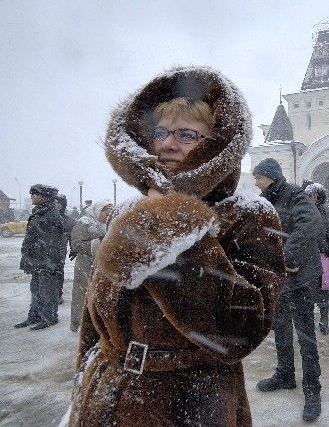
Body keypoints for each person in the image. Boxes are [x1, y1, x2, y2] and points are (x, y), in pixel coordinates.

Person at [67, 67, 285, 427]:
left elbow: (240, 328)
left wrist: (172, 229)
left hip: (190, 403)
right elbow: (95, 324)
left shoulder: (248, 215)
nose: (167, 144)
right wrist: (83, 389)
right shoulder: (128, 212)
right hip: (103, 396)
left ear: (217, 144)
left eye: (187, 134)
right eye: (161, 132)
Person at [253, 158, 323, 422]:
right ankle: (284, 375)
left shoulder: (295, 195)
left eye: (259, 177)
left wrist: (287, 256)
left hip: (300, 276)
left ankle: (312, 390)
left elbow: (310, 224)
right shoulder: (265, 200)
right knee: (280, 328)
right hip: (278, 280)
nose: (256, 182)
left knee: (306, 335)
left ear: (271, 175)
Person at [14, 184, 65, 330]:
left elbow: (55, 243)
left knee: (47, 291)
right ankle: (34, 315)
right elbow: (32, 238)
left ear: (42, 197)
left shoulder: (51, 215)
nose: (31, 197)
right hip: (36, 259)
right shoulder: (39, 212)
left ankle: (49, 317)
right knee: (35, 289)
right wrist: (27, 256)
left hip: (47, 261)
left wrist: (52, 263)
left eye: (34, 194)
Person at [68, 200, 112, 332]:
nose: (108, 214)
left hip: (101, 265)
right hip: (85, 264)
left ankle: (97, 325)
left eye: (110, 211)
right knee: (82, 294)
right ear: (98, 211)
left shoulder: (108, 224)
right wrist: (96, 245)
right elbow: (76, 244)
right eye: (106, 211)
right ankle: (78, 323)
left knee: (99, 295)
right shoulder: (84, 223)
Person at [306, 183, 329, 335]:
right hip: (308, 257)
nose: (314, 198)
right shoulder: (303, 211)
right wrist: (321, 245)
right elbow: (306, 233)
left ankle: (324, 319)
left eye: (317, 195)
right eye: (311, 195)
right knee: (307, 292)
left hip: (323, 257)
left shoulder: (324, 212)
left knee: (324, 291)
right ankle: (306, 321)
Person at [54, 194, 75, 304]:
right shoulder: (49, 217)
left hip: (60, 252)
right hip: (46, 251)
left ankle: (58, 294)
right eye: (55, 203)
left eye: (59, 203)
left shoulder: (68, 220)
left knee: (58, 271)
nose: (57, 205)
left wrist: (73, 249)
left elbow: (72, 237)